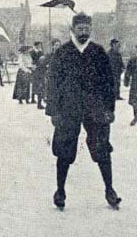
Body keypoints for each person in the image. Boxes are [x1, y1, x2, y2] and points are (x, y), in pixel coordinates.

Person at [45, 12, 121, 210]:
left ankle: (110, 190)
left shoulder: (98, 52)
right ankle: (60, 191)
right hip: (68, 109)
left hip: (95, 109)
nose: (83, 32)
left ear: (90, 30)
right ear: (73, 30)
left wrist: (109, 109)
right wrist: (53, 111)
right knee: (64, 150)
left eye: (87, 29)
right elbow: (52, 83)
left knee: (102, 148)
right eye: (80, 29)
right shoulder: (62, 53)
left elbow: (108, 83)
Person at [123, 46, 137, 126]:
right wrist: (126, 81)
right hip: (135, 84)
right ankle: (135, 117)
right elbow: (128, 71)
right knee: (135, 102)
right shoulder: (133, 60)